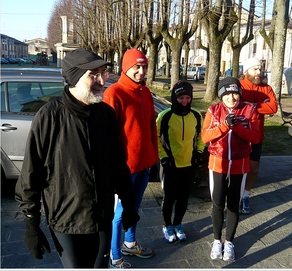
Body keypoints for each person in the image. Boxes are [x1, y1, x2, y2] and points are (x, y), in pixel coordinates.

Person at [14, 48, 140, 268]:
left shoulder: (106, 115)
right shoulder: (49, 116)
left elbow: (118, 165)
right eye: (94, 74)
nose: (102, 80)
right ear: (74, 78)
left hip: (102, 216)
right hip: (66, 221)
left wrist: (129, 204)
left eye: (103, 73)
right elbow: (30, 175)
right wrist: (31, 224)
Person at [103, 48, 158, 268]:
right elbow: (108, 136)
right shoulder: (114, 93)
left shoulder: (145, 92)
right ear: (126, 68)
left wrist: (153, 156)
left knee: (134, 209)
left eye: (144, 66)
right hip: (124, 169)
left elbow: (151, 127)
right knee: (118, 214)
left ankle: (130, 242)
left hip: (144, 164)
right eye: (136, 67)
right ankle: (115, 257)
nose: (141, 71)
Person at [201, 77, 261, 261]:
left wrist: (237, 127)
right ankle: (217, 239)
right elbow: (205, 137)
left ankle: (229, 242)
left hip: (239, 165)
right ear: (221, 95)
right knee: (218, 204)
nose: (232, 98)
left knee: (233, 205)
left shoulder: (250, 110)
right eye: (227, 94)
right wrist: (225, 125)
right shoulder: (213, 110)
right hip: (217, 163)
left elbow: (256, 137)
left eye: (235, 93)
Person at [156, 81, 206, 243]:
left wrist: (199, 152)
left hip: (189, 164)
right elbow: (155, 138)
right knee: (169, 198)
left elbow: (202, 136)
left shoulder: (196, 115)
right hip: (171, 164)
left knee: (184, 198)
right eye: (180, 98)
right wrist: (163, 157)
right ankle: (167, 225)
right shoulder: (165, 116)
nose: (184, 101)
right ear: (174, 97)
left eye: (187, 98)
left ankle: (178, 224)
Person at [239, 58, 278, 214]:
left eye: (260, 69)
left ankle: (246, 195)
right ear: (246, 71)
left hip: (257, 135)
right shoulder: (239, 86)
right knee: (238, 168)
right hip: (240, 134)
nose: (258, 72)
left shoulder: (266, 88)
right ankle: (234, 195)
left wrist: (255, 106)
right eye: (254, 69)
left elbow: (273, 107)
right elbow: (236, 104)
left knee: (253, 169)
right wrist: (260, 105)